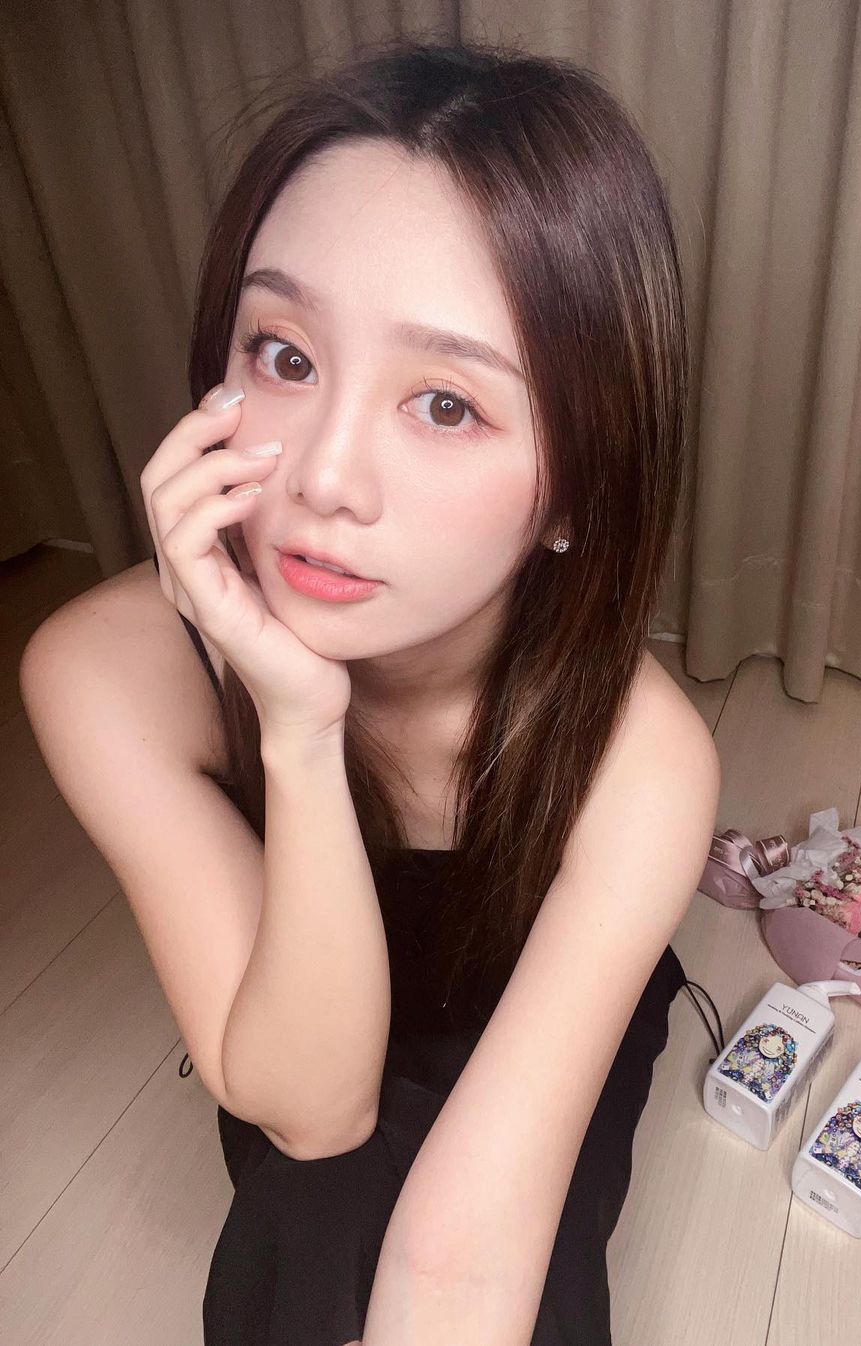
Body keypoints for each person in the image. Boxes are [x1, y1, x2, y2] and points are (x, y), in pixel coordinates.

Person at [20, 36, 722, 1346]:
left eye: (446, 404)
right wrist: (298, 728)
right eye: (284, 355)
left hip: (535, 1010)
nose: (324, 477)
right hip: (303, 1018)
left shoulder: (639, 759)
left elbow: (462, 1272)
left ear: (576, 489)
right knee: (306, 1237)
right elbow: (312, 1107)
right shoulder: (104, 672)